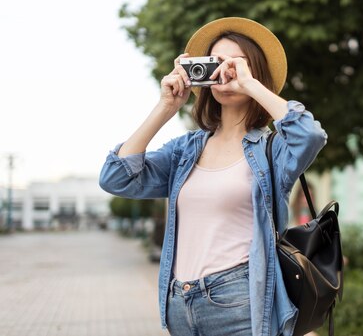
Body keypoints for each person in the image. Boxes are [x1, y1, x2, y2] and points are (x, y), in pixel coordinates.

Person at [99, 17, 327, 336]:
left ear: (255, 72)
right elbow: (116, 178)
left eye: (235, 63)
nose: (224, 71)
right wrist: (166, 106)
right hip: (179, 302)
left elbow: (310, 134)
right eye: (215, 63)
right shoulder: (186, 150)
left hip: (238, 299)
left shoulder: (271, 149)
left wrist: (248, 84)